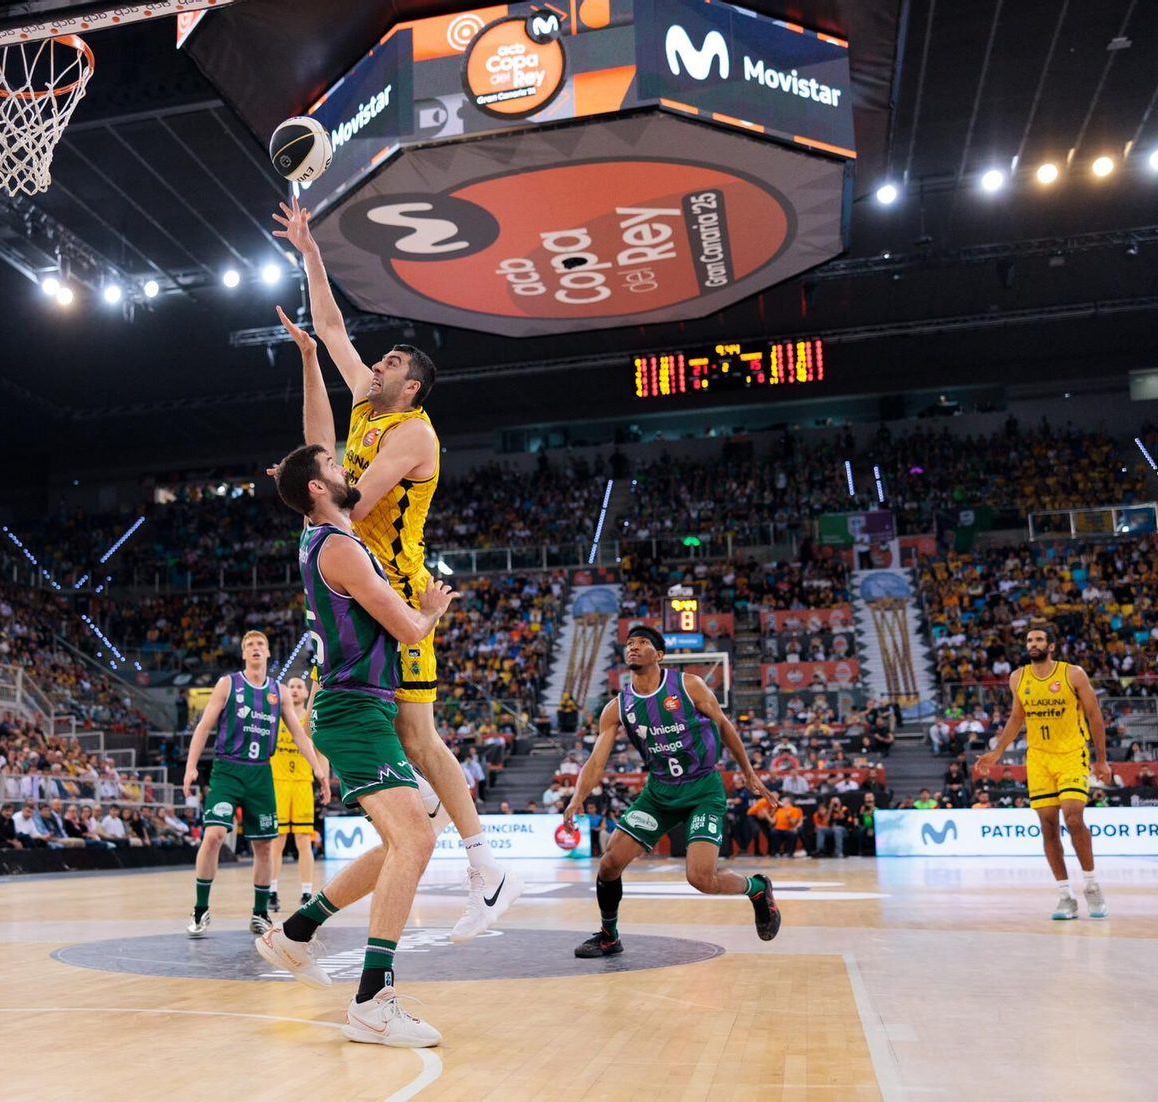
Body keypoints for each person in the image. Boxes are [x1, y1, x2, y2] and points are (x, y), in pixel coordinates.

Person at [274, 204, 526, 936]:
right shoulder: (365, 406)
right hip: (358, 582)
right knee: (401, 734)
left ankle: (485, 868)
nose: (377, 364)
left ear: (411, 386)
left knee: (418, 735)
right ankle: (455, 846)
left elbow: (354, 501)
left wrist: (302, 486)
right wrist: (310, 251)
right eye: (379, 360)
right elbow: (332, 329)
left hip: (399, 587)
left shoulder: (413, 433)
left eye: (391, 364)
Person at [251, 438, 459, 1048]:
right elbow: (409, 629)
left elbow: (312, 445)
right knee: (417, 839)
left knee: (414, 833)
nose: (347, 468)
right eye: (334, 465)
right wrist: (432, 609)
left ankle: (294, 933)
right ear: (318, 488)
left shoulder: (321, 536)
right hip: (353, 710)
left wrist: (315, 370)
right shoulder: (339, 547)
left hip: (359, 707)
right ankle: (372, 1001)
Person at [564, 625, 781, 960]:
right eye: (630, 643)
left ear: (660, 655)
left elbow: (724, 725)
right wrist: (577, 797)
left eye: (643, 643)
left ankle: (757, 888)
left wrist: (748, 772)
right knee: (609, 864)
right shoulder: (618, 706)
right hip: (659, 794)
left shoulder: (688, 685)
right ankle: (609, 936)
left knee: (701, 878)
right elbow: (596, 761)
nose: (634, 647)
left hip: (703, 790)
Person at [182, 629, 327, 937]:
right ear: (244, 653)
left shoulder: (279, 691)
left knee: (264, 846)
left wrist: (318, 770)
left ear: (269, 653)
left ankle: (260, 912)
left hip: (261, 773)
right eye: (250, 644)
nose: (256, 648)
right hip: (228, 770)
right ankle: (200, 908)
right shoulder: (228, 684)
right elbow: (204, 726)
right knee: (214, 835)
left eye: (261, 644)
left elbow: (299, 734)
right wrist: (191, 766)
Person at [976, 621, 1112, 919]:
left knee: (1073, 817)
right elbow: (1016, 718)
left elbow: (1094, 715)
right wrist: (997, 751)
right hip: (1038, 759)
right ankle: (1065, 896)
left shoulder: (1072, 674)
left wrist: (1101, 759)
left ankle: (1091, 885)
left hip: (1071, 754)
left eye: (1038, 640)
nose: (1032, 644)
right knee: (1048, 826)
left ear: (1051, 646)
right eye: (1029, 640)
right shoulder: (1018, 677)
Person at [267, 673, 328, 911]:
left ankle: (306, 892)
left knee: (304, 839)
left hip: (302, 783)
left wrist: (323, 781)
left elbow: (321, 752)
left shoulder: (311, 720)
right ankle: (271, 891)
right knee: (277, 840)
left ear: (305, 693)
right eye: (290, 686)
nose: (294, 689)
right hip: (278, 783)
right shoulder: (275, 717)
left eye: (299, 686)